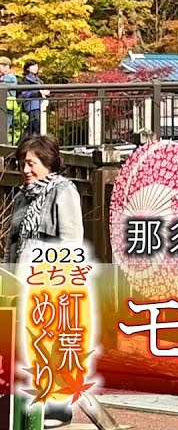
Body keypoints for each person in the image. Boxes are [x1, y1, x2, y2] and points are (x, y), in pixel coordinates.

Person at [5, 135, 83, 427]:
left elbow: (71, 240)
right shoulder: (22, 196)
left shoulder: (64, 191)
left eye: (31, 163)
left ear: (47, 163)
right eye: (22, 162)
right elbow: (13, 242)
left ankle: (59, 407)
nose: (25, 169)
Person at [17, 61, 48, 139]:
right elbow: (23, 94)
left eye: (37, 66)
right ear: (27, 68)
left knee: (31, 129)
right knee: (38, 128)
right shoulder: (25, 80)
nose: (36, 68)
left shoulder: (38, 80)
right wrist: (39, 93)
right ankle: (42, 146)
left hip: (39, 105)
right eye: (33, 66)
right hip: (33, 105)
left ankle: (19, 146)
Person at [0, 57, 16, 143]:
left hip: (7, 106)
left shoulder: (10, 77)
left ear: (6, 66)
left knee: (3, 129)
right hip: (3, 106)